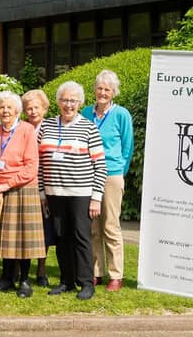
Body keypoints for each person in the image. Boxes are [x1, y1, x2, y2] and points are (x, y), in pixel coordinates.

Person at [38, 81, 107, 300]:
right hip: (54, 193)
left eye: (73, 101)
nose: (69, 105)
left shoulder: (88, 127)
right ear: (58, 102)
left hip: (80, 194)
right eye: (65, 100)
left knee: (81, 238)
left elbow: (100, 166)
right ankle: (66, 281)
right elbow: (38, 163)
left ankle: (86, 283)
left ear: (80, 103)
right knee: (61, 238)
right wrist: (42, 194)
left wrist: (96, 198)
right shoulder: (47, 126)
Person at [0, 91, 45, 298]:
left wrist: (7, 184)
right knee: (5, 237)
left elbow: (31, 166)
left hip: (22, 189)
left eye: (9, 107)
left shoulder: (27, 130)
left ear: (18, 110)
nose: (5, 111)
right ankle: (6, 278)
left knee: (23, 238)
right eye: (2, 107)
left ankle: (25, 280)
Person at [81, 70, 134, 292]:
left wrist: (120, 172)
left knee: (110, 225)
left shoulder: (121, 114)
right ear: (94, 89)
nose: (102, 92)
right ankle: (96, 272)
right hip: (88, 173)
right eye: (99, 88)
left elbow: (128, 146)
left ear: (113, 92)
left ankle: (116, 275)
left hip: (111, 174)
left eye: (107, 89)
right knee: (92, 227)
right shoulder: (85, 112)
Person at [22, 89, 55, 287]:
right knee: (25, 229)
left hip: (47, 184)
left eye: (36, 107)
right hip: (26, 185)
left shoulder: (51, 127)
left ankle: (41, 269)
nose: (33, 111)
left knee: (45, 229)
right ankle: (19, 268)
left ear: (44, 108)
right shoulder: (22, 127)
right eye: (29, 108)